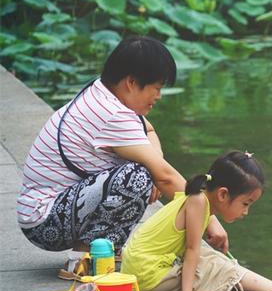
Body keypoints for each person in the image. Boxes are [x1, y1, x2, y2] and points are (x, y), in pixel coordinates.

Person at [16, 36, 230, 276]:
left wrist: (153, 160)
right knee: (137, 177)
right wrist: (208, 217)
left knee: (147, 169)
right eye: (156, 88)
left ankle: (100, 251)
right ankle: (84, 259)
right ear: (131, 82)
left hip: (49, 211)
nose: (158, 96)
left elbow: (149, 130)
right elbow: (167, 178)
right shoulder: (112, 114)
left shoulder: (102, 92)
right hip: (45, 220)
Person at [121, 151, 272, 291]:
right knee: (218, 267)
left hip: (141, 268)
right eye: (245, 204)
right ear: (223, 194)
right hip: (146, 276)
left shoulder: (197, 198)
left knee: (210, 256)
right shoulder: (198, 203)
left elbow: (192, 249)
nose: (246, 212)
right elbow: (191, 250)